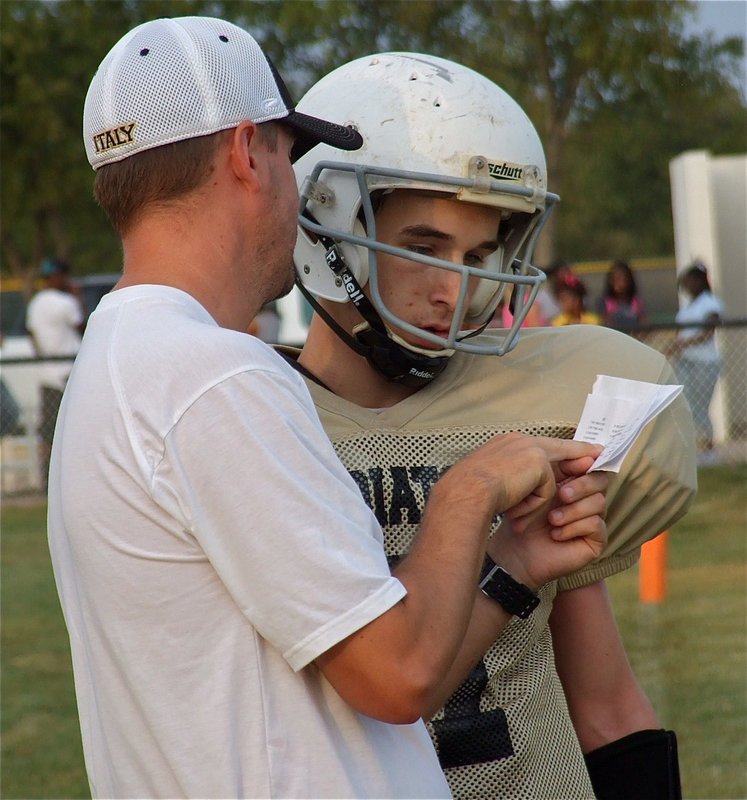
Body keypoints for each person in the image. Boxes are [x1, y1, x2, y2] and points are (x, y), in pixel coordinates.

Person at [47, 18, 608, 799]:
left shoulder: (123, 361)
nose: (294, 190)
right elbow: (398, 675)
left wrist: (511, 563)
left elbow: (356, 688)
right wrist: (468, 489)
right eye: (290, 155)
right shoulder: (215, 376)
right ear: (248, 152)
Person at [286, 52, 697, 800]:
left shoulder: (532, 411)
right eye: (421, 248)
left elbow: (603, 702)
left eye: (479, 254)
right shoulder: (248, 419)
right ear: (328, 230)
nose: (456, 288)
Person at [25, 257, 85, 488]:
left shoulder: (35, 303)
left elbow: (32, 335)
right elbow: (82, 326)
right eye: (63, 275)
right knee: (76, 428)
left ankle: (46, 480)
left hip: (47, 374)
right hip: (69, 373)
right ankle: (73, 479)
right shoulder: (65, 302)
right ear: (56, 277)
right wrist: (78, 297)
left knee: (49, 431)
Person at [668, 260, 724, 458]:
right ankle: (692, 448)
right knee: (687, 405)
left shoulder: (710, 302)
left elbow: (708, 332)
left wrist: (684, 343)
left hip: (704, 362)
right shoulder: (688, 306)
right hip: (685, 361)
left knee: (700, 406)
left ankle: (707, 449)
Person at [597, 259, 649, 330]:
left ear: (628, 280)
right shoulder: (605, 302)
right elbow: (606, 325)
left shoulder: (636, 302)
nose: (616, 283)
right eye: (614, 279)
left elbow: (644, 324)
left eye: (620, 279)